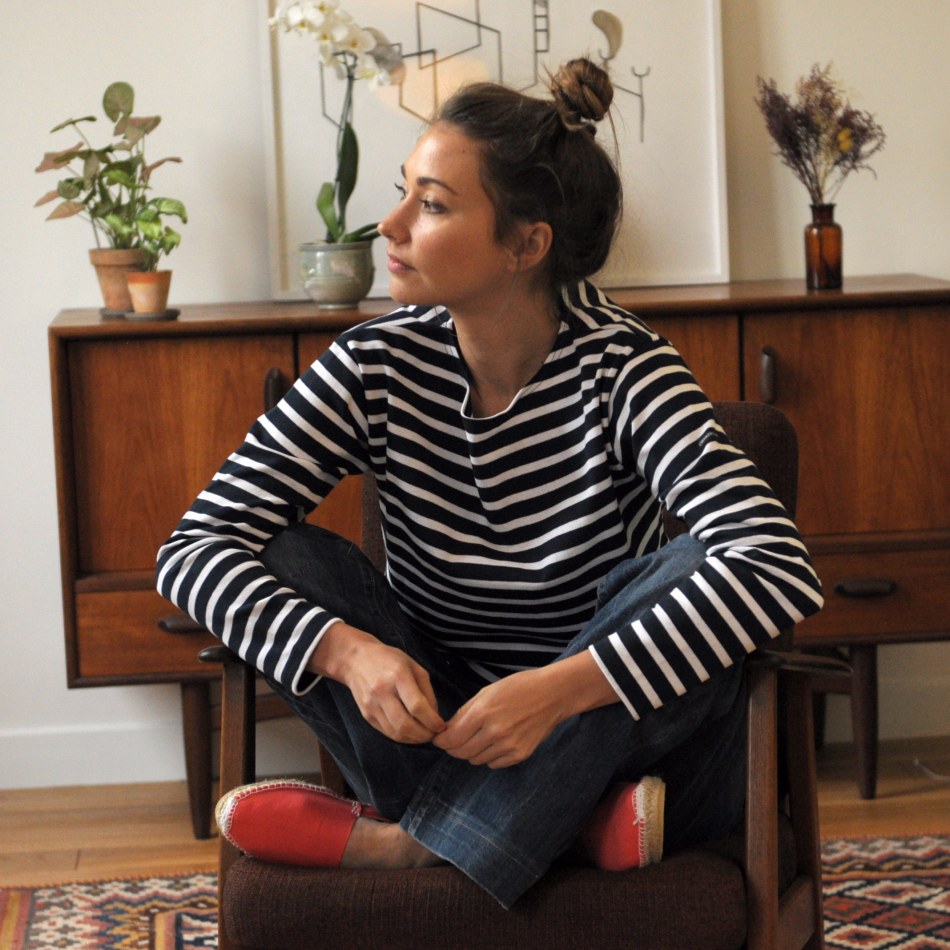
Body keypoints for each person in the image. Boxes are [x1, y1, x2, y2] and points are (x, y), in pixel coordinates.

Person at [156, 58, 823, 909]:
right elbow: (191, 549)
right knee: (282, 554)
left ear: (526, 245)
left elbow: (774, 566)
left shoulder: (625, 367)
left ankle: (409, 846)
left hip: (607, 731)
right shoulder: (373, 364)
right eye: (402, 192)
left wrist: (557, 693)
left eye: (432, 205)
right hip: (440, 733)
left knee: (698, 566)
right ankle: (569, 830)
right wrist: (347, 652)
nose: (390, 225)